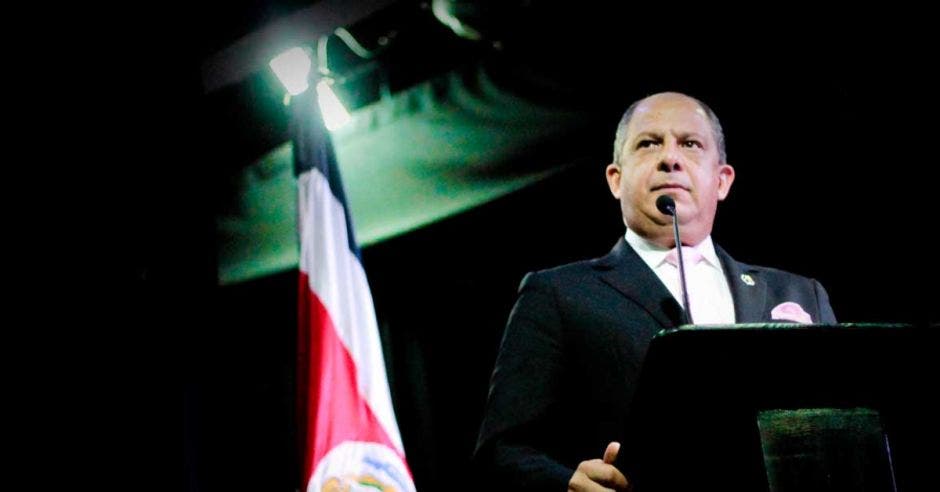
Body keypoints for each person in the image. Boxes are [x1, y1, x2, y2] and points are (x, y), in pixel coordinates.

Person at [473, 92, 837, 491]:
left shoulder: (801, 293)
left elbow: (846, 428)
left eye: (690, 144)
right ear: (616, 179)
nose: (670, 158)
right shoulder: (559, 294)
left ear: (722, 180)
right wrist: (565, 484)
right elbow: (501, 453)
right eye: (648, 143)